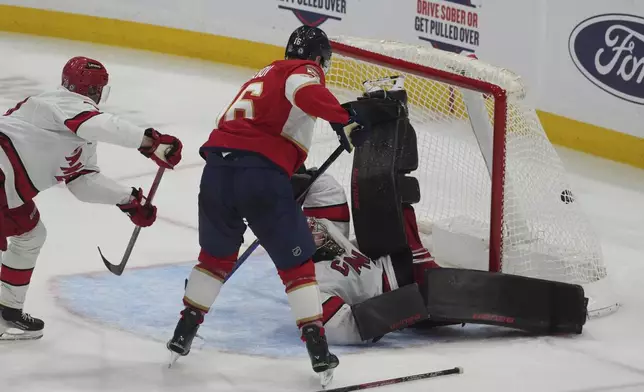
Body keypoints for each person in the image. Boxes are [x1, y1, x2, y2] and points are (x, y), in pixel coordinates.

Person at [167, 25, 368, 383]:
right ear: (319, 58)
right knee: (297, 265)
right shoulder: (303, 71)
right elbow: (307, 94)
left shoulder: (263, 73)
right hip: (258, 174)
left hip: (216, 171)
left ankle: (183, 332)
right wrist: (345, 116)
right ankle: (318, 349)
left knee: (214, 258)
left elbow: (256, 122)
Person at [0, 56, 182, 340]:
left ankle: (6, 312)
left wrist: (128, 199)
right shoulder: (62, 103)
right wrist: (149, 142)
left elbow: (82, 182)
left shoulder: (78, 130)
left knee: (31, 236)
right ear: (95, 90)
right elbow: (102, 125)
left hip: (9, 190)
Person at [300, 171, 439, 345]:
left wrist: (294, 177)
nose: (314, 230)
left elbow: (327, 191)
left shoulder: (319, 226)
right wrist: (402, 310)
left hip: (389, 260)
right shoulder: (310, 286)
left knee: (383, 189)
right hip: (394, 290)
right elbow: (345, 327)